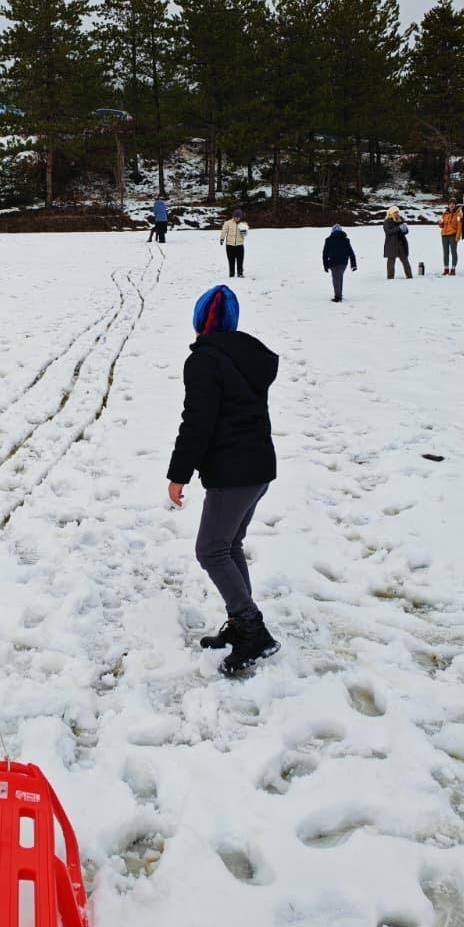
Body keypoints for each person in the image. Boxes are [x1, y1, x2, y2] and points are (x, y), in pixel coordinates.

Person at [166, 284, 280, 678]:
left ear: (200, 320)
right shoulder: (246, 355)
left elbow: (197, 423)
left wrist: (178, 475)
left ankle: (253, 630)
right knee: (229, 544)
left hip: (235, 473)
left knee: (211, 550)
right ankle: (240, 622)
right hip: (257, 469)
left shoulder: (205, 361)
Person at [322, 224, 356, 301]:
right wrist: (353, 265)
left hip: (332, 262)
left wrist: (325, 265)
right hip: (343, 262)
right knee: (339, 277)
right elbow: (351, 253)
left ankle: (338, 297)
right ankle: (339, 294)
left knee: (336, 279)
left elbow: (325, 254)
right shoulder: (346, 240)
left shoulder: (328, 240)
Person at [383, 207, 412, 279]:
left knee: (405, 261)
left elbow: (406, 232)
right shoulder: (387, 221)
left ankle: (409, 277)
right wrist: (399, 228)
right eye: (395, 212)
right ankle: (390, 277)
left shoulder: (401, 220)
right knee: (391, 262)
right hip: (391, 244)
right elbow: (388, 232)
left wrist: (404, 229)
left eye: (397, 212)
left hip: (401, 244)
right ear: (391, 213)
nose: (397, 214)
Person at [220, 210, 246, 277]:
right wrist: (222, 239)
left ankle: (240, 273)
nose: (237, 218)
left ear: (241, 217)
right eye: (235, 217)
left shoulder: (243, 224)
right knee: (231, 260)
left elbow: (245, 235)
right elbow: (224, 231)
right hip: (230, 245)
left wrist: (243, 231)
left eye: (238, 217)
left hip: (239, 245)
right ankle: (231, 274)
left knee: (240, 260)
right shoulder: (227, 223)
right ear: (233, 217)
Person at [440, 200, 462, 274]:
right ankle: (446, 269)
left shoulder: (458, 214)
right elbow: (441, 225)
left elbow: (460, 226)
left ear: (455, 205)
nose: (451, 205)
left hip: (453, 235)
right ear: (448, 205)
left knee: (453, 252)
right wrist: (440, 224)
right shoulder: (445, 214)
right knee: (445, 252)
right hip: (444, 235)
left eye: (453, 204)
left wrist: (458, 236)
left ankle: (453, 269)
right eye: (450, 204)